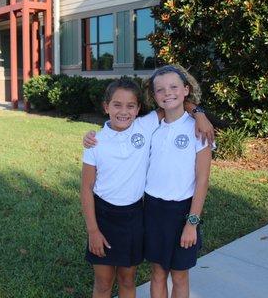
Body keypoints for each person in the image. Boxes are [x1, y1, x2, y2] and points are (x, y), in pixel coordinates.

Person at [81, 76, 213, 298]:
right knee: (103, 283)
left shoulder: (145, 125)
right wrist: (93, 230)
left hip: (134, 217)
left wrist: (199, 113)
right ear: (106, 107)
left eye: (131, 106)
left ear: (138, 108)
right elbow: (86, 188)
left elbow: (174, 103)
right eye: (117, 105)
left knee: (127, 280)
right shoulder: (96, 142)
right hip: (103, 217)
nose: (124, 111)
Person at [142, 65, 212, 298]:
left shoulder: (197, 129)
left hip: (183, 211)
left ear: (185, 89)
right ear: (154, 95)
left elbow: (202, 180)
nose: (167, 93)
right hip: (153, 209)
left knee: (180, 275)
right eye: (160, 89)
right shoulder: (152, 126)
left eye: (173, 87)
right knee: (158, 273)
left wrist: (192, 223)